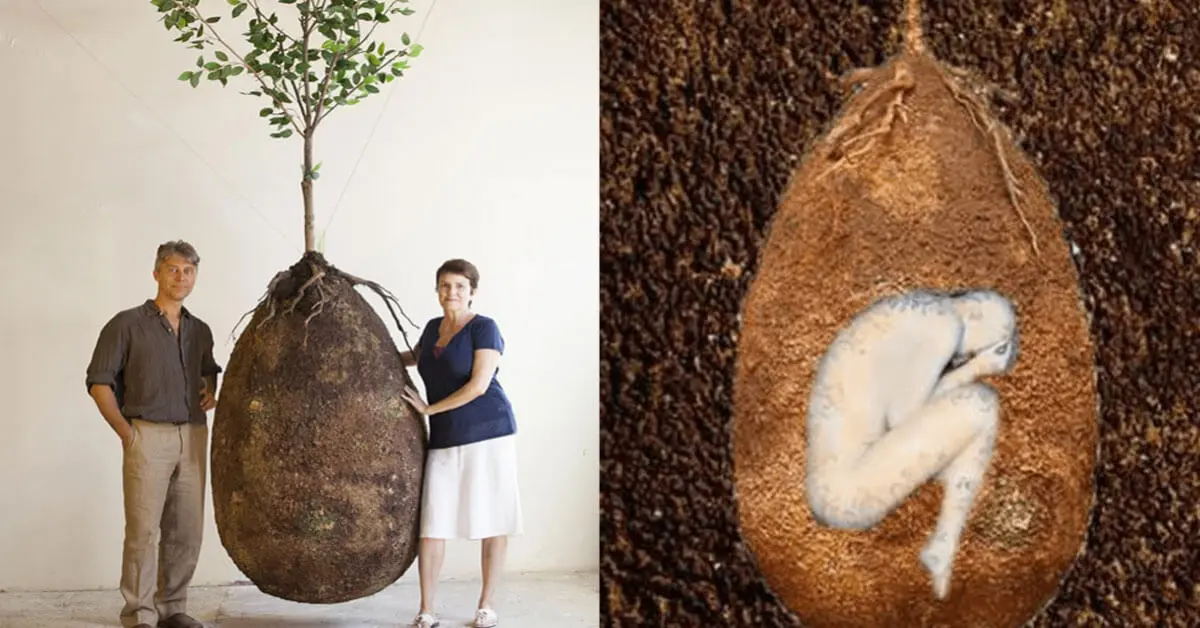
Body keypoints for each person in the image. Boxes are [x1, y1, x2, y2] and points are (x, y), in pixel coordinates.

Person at [804, 288, 1019, 600]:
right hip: (847, 496)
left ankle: (944, 542)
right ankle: (945, 542)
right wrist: (977, 369)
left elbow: (901, 410)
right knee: (981, 405)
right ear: (975, 315)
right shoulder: (945, 323)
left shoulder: (912, 313)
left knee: (967, 415)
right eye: (987, 346)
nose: (965, 358)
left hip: (829, 489)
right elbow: (906, 417)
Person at [85, 240, 222, 628]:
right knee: (143, 531)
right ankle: (139, 614)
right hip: (147, 435)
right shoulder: (126, 324)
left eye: (189, 271)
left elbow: (208, 369)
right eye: (174, 269)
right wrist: (127, 433)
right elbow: (99, 383)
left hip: (193, 436)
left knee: (187, 530)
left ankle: (172, 608)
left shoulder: (201, 329)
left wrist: (210, 389)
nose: (181, 277)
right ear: (157, 273)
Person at [399, 258, 522, 628]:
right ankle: (426, 609)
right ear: (437, 290)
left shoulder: (484, 328)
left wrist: (429, 408)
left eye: (459, 287)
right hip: (445, 436)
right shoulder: (434, 327)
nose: (451, 292)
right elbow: (412, 358)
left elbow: (480, 385)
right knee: (433, 524)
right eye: (444, 286)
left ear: (472, 293)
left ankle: (486, 605)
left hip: (489, 431)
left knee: (493, 519)